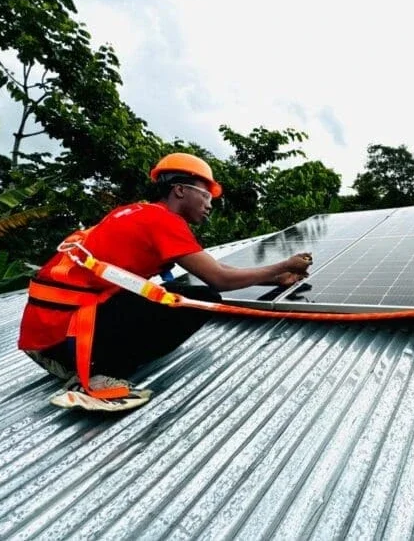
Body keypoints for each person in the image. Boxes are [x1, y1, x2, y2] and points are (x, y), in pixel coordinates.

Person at [18, 152, 313, 411]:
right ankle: (93, 373)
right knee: (200, 302)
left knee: (183, 292)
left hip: (49, 327)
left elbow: (213, 268)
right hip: (67, 332)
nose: (210, 205)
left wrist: (275, 277)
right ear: (180, 190)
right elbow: (219, 279)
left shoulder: (136, 211)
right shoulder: (164, 221)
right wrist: (285, 263)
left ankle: (65, 354)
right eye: (206, 195)